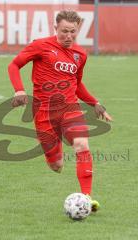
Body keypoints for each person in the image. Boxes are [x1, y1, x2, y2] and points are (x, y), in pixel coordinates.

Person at [8, 10, 112, 212]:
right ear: (55, 28)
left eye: (73, 32)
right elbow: (14, 65)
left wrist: (95, 103)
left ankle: (86, 198)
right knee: (56, 165)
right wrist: (19, 90)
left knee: (82, 144)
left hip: (70, 109)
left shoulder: (80, 54)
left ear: (77, 30)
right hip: (44, 113)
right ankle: (54, 156)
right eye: (64, 31)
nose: (69, 36)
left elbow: (77, 84)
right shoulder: (40, 45)